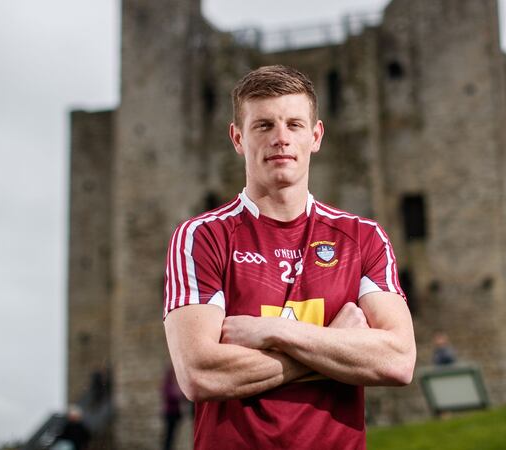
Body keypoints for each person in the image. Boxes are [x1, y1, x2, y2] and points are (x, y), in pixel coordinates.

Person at [163, 65, 416, 450]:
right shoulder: (202, 237)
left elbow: (398, 361)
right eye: (263, 125)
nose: (281, 138)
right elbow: (200, 374)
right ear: (237, 138)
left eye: (294, 125)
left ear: (315, 136)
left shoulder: (363, 238)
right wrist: (335, 342)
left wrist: (277, 331)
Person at [161, 365, 185, 450]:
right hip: (170, 413)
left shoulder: (175, 383)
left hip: (176, 413)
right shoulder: (167, 384)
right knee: (169, 434)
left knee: (173, 434)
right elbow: (170, 395)